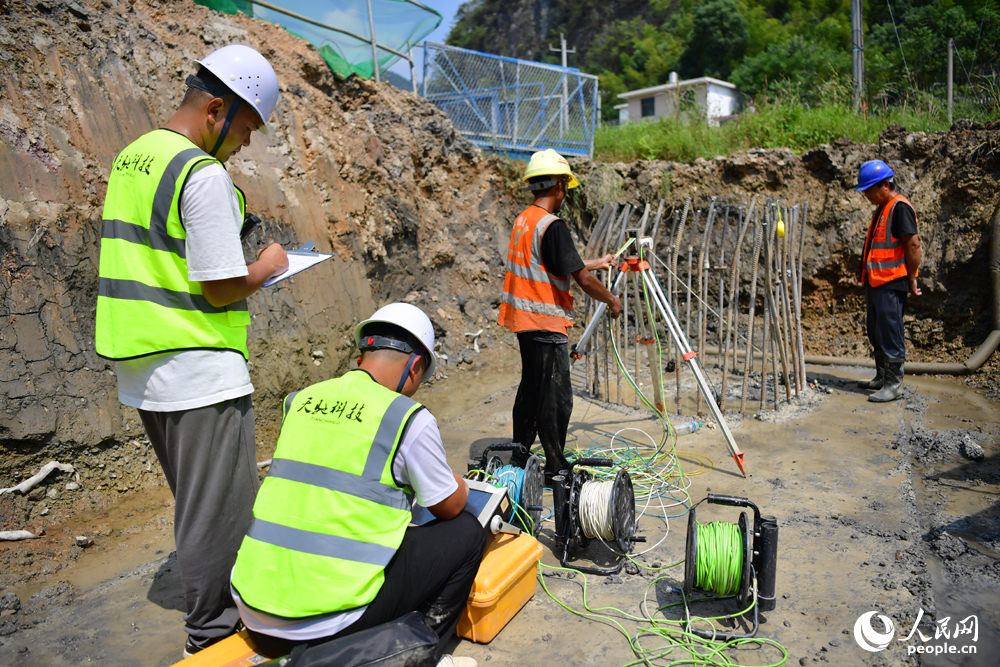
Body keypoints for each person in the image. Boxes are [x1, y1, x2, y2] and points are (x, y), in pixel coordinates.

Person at [94, 45, 288, 657]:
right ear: (215, 109)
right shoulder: (199, 173)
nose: (247, 145)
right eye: (247, 128)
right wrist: (268, 266)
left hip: (146, 363)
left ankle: (216, 619)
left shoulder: (135, 158)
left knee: (199, 501)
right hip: (197, 363)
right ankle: (214, 637)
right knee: (218, 512)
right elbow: (219, 281)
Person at [230, 303, 487, 667]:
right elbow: (447, 505)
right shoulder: (406, 416)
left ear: (362, 354)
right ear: (415, 366)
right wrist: (456, 483)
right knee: (466, 533)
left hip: (254, 612)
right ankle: (422, 651)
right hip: (323, 624)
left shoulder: (300, 401)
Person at [498, 149, 623, 479]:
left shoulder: (525, 220)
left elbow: (554, 264)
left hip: (525, 320)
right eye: (566, 186)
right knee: (556, 398)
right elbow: (581, 279)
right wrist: (611, 300)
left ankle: (519, 455)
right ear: (559, 187)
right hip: (545, 321)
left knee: (531, 390)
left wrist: (598, 262)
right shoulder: (553, 226)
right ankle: (556, 465)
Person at [855, 159, 922, 402]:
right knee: (876, 331)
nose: (867, 196)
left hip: (891, 282)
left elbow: (913, 244)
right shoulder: (883, 208)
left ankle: (893, 384)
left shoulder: (900, 207)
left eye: (869, 190)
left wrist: (912, 277)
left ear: (885, 185)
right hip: (876, 282)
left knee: (891, 332)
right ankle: (882, 376)